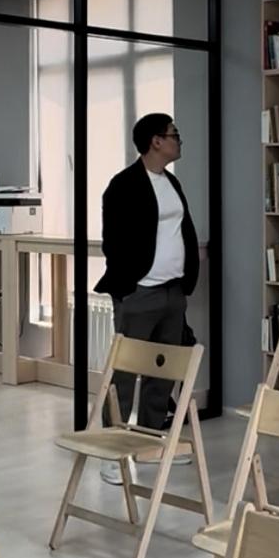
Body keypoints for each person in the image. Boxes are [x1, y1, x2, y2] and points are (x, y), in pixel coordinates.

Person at [95, 112, 200, 485]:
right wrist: (131, 283)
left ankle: (150, 443)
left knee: (163, 371)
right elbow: (113, 241)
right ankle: (112, 452)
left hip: (173, 292)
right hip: (139, 293)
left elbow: (181, 230)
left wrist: (185, 279)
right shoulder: (123, 185)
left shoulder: (171, 181)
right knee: (124, 374)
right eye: (174, 134)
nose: (179, 140)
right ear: (156, 141)